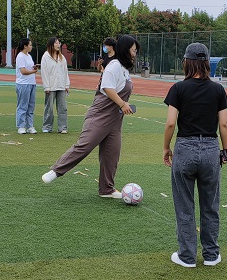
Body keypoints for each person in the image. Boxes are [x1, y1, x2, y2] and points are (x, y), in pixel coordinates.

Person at [41, 35, 140, 198]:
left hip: (115, 119)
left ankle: (106, 189)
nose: (135, 53)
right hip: (100, 114)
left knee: (112, 154)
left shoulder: (124, 69)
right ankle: (56, 171)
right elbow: (107, 88)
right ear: (124, 49)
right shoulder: (114, 66)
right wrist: (123, 103)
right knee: (85, 145)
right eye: (133, 50)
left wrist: (123, 106)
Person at [163, 42, 227, 268]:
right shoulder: (218, 90)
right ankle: (211, 255)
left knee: (185, 205)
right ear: (206, 63)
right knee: (210, 205)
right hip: (211, 148)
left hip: (185, 148)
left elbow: (171, 123)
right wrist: (225, 152)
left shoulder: (178, 89)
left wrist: (166, 147)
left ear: (186, 62)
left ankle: (187, 256)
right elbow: (223, 125)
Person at [40, 37, 70, 133]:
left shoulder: (62, 58)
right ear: (51, 45)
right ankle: (47, 127)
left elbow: (65, 72)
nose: (58, 45)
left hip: (61, 85)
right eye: (56, 43)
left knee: (63, 108)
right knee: (49, 108)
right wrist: (46, 86)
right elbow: (44, 72)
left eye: (59, 43)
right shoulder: (46, 57)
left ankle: (63, 128)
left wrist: (67, 85)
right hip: (51, 86)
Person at [15, 38, 38, 134]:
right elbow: (23, 71)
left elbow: (28, 67)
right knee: (23, 106)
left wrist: (34, 67)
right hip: (23, 84)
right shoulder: (20, 56)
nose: (31, 47)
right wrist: (33, 71)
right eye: (30, 45)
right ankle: (21, 126)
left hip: (32, 83)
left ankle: (30, 126)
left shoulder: (29, 56)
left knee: (31, 106)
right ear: (25, 46)